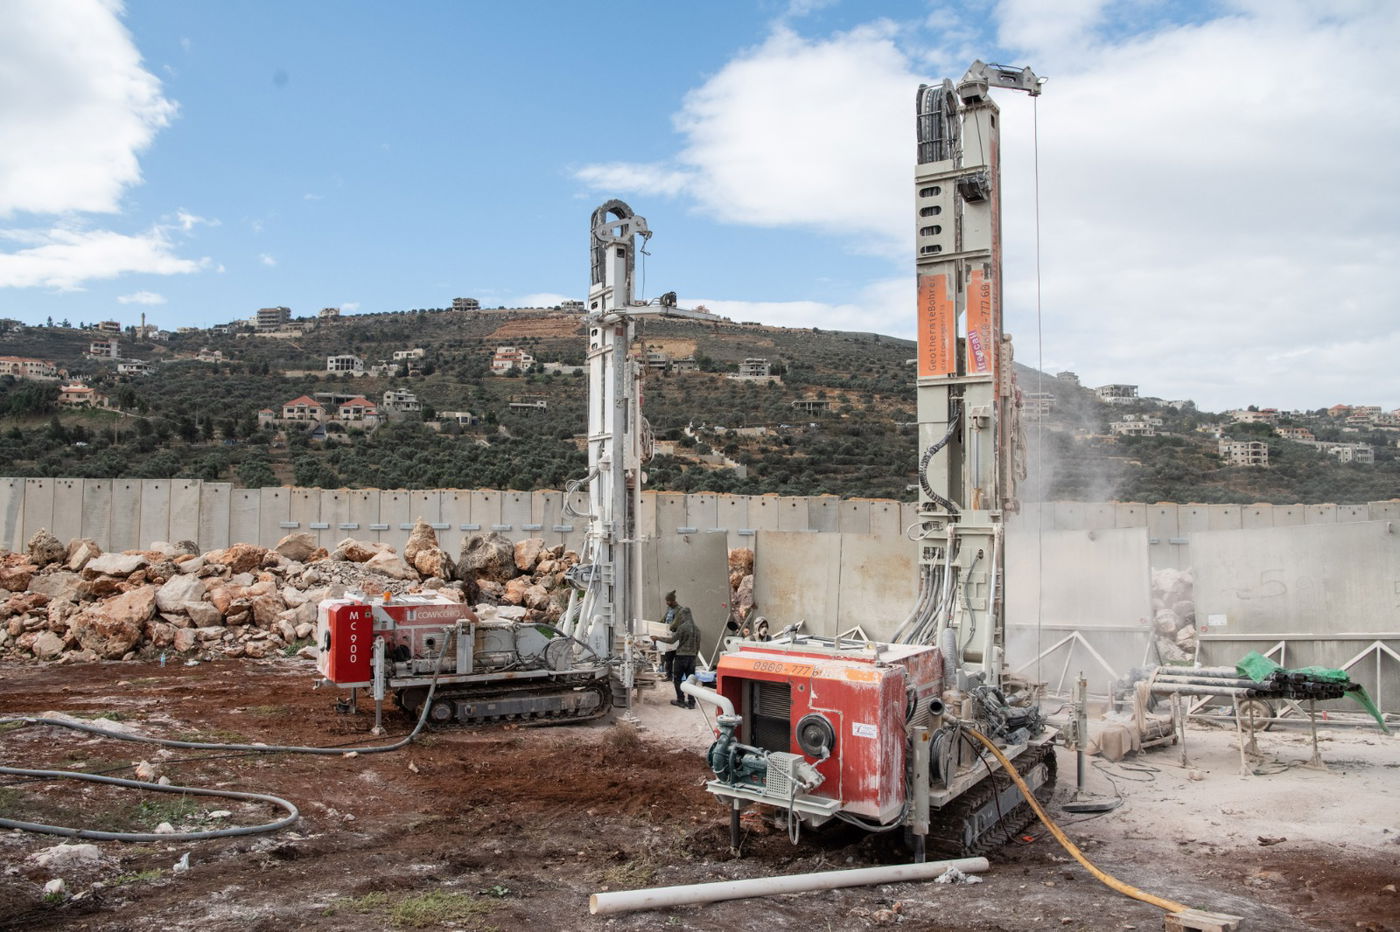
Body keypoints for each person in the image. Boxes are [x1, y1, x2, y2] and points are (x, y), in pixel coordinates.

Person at [655, 590, 698, 708]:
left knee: (677, 679)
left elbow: (672, 640)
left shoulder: (682, 628)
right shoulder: (697, 629)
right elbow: (698, 646)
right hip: (692, 658)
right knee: (691, 680)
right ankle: (691, 703)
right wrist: (694, 656)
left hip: (681, 656)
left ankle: (680, 700)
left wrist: (658, 638)